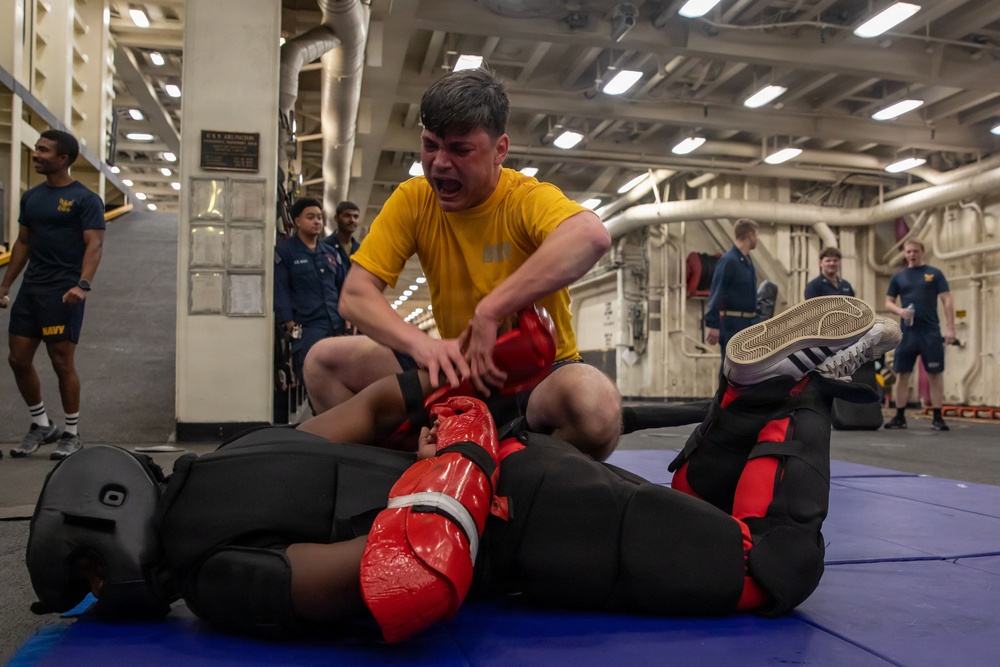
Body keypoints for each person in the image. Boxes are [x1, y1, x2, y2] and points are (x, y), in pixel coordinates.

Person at [26, 296, 901, 644]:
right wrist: (458, 411)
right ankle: (746, 403)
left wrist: (458, 448)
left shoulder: (216, 581)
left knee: (766, 566)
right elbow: (374, 417)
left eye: (90, 571)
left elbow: (401, 574)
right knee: (690, 517)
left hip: (528, 528)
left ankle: (797, 394)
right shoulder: (240, 450)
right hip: (529, 474)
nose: (100, 583)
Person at [304, 66, 620, 460]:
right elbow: (354, 296)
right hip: (458, 370)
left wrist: (492, 310)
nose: (438, 163)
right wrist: (422, 346)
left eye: (459, 149)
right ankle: (399, 472)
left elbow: (591, 236)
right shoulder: (413, 199)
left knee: (596, 407)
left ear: (499, 150)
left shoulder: (524, 199)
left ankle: (524, 483)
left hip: (539, 376)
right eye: (430, 145)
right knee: (323, 361)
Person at [1, 129, 105, 460]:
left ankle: (72, 433)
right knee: (17, 359)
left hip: (63, 292)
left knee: (61, 361)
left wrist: (83, 285)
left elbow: (95, 244)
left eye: (43, 150)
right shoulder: (31, 197)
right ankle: (41, 425)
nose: (36, 154)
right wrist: (4, 285)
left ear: (62, 159)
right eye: (36, 149)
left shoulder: (85, 200)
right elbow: (23, 242)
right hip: (31, 290)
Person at [273, 197, 348, 386]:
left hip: (335, 327)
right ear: (297, 221)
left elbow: (343, 287)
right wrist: (290, 324)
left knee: (340, 381)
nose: (317, 222)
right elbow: (280, 290)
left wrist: (347, 318)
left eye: (319, 218)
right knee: (314, 384)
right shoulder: (285, 252)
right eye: (310, 217)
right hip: (307, 330)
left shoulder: (330, 253)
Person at [883, 240, 955, 431]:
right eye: (908, 251)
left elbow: (947, 300)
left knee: (935, 374)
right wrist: (900, 311)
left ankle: (938, 417)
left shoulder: (934, 274)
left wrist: (950, 328)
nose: (912, 254)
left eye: (915, 251)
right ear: (904, 254)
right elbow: (888, 301)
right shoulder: (899, 277)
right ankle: (899, 417)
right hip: (907, 333)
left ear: (922, 251)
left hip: (930, 332)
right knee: (902, 374)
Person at [704, 218, 760, 367]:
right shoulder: (729, 261)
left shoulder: (746, 260)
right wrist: (713, 324)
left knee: (744, 372)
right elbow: (717, 292)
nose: (757, 239)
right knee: (730, 370)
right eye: (756, 235)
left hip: (747, 323)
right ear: (750, 235)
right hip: (732, 325)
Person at [322, 200, 361, 267]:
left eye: (355, 216)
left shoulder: (360, 249)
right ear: (336, 218)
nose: (352, 220)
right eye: (347, 216)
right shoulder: (324, 246)